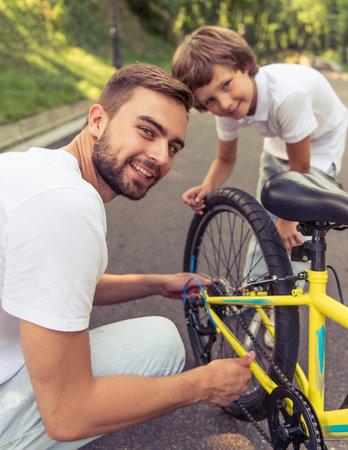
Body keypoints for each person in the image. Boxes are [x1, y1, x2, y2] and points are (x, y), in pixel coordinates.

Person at [0, 63, 255, 449]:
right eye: (147, 131)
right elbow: (67, 416)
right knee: (161, 346)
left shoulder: (30, 168)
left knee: (154, 335)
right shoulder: (67, 206)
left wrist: (156, 283)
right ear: (98, 120)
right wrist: (204, 384)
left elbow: (54, 284)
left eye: (172, 146)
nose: (160, 157)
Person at [171, 26, 348, 254]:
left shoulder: (288, 96)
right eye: (209, 101)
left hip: (319, 147)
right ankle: (258, 285)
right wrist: (208, 187)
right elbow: (225, 159)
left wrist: (287, 219)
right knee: (264, 228)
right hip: (281, 143)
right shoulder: (228, 107)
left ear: (244, 65)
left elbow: (301, 170)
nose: (224, 104)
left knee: (295, 234)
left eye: (226, 85)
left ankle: (294, 281)